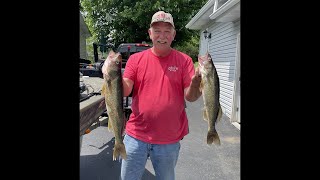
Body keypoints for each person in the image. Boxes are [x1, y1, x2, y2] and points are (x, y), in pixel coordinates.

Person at [103, 10, 202, 180]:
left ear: (173, 34)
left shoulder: (184, 60)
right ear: (150, 34)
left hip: (169, 139)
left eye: (166, 31)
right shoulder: (136, 59)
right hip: (135, 136)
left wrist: (195, 83)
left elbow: (191, 97)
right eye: (157, 31)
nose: (161, 36)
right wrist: (111, 76)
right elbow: (125, 90)